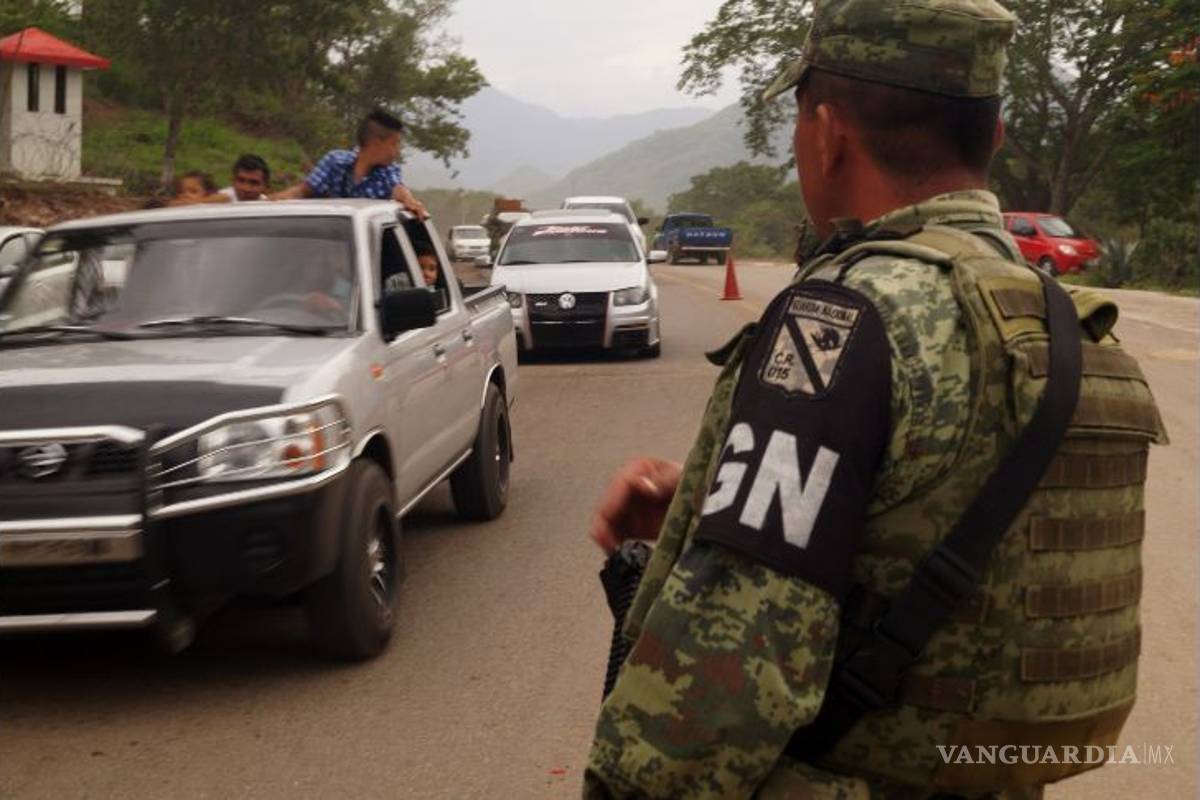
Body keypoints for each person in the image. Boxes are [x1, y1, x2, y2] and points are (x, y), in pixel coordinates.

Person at [583, 1, 1168, 798]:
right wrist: (706, 506)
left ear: (826, 133)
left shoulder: (843, 318)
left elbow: (703, 708)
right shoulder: (1060, 323)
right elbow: (935, 524)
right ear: (993, 137)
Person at [270, 108, 427, 218]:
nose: (397, 151)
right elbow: (303, 191)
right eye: (394, 144)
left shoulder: (387, 172)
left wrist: (409, 201)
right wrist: (272, 201)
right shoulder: (335, 162)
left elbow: (398, 189)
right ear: (377, 143)